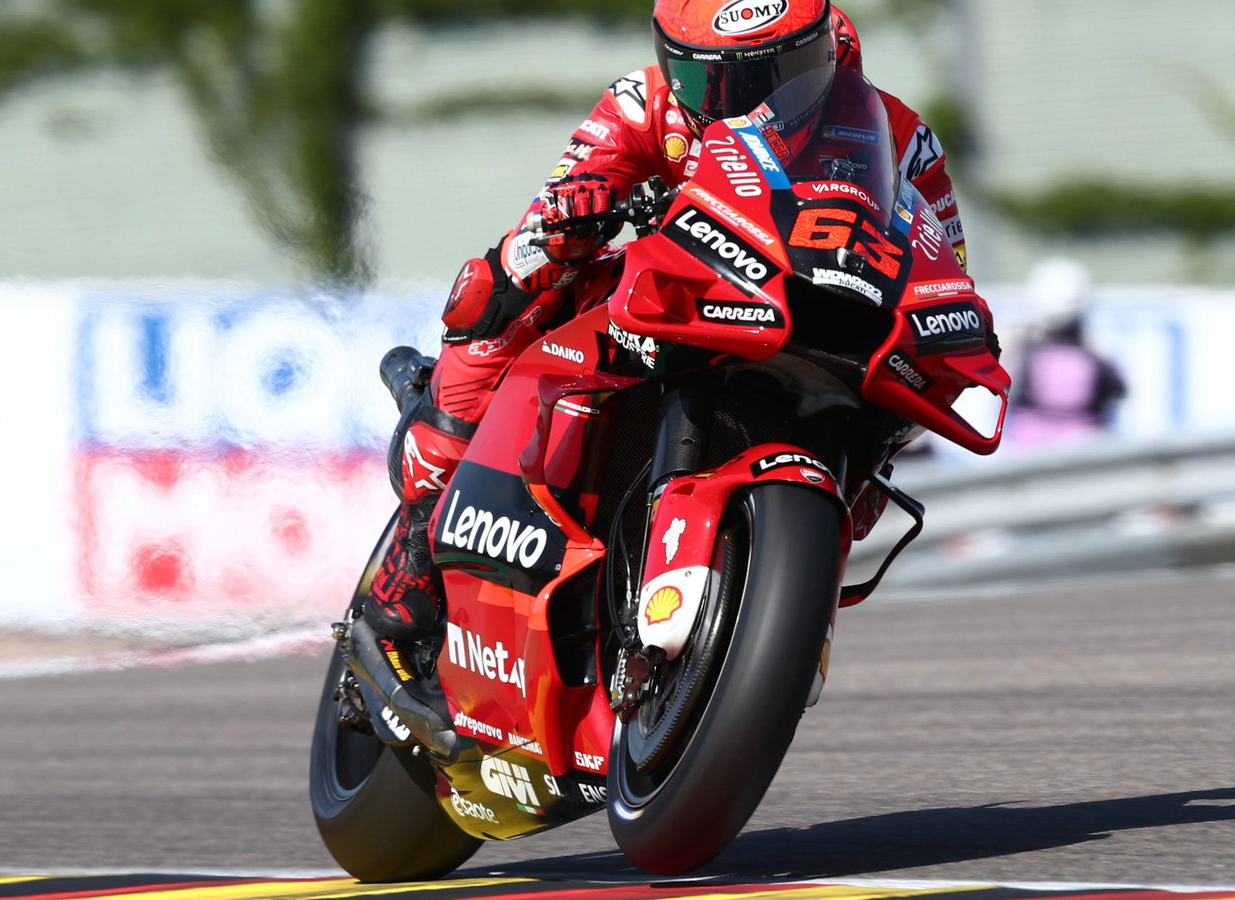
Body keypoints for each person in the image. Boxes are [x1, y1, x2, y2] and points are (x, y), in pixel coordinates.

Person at [364, 0, 970, 672]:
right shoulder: (641, 105)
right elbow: (563, 197)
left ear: (826, 52)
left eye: (782, 74)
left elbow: (948, 260)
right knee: (503, 281)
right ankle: (420, 535)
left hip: (814, 319)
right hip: (668, 298)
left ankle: (769, 593)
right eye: (719, 80)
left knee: (892, 432)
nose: (747, 99)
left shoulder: (899, 134)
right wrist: (574, 213)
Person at [1006, 259, 1126, 446]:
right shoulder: (1097, 353)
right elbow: (1118, 392)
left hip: (1031, 453)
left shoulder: (1023, 349)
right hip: (1081, 454)